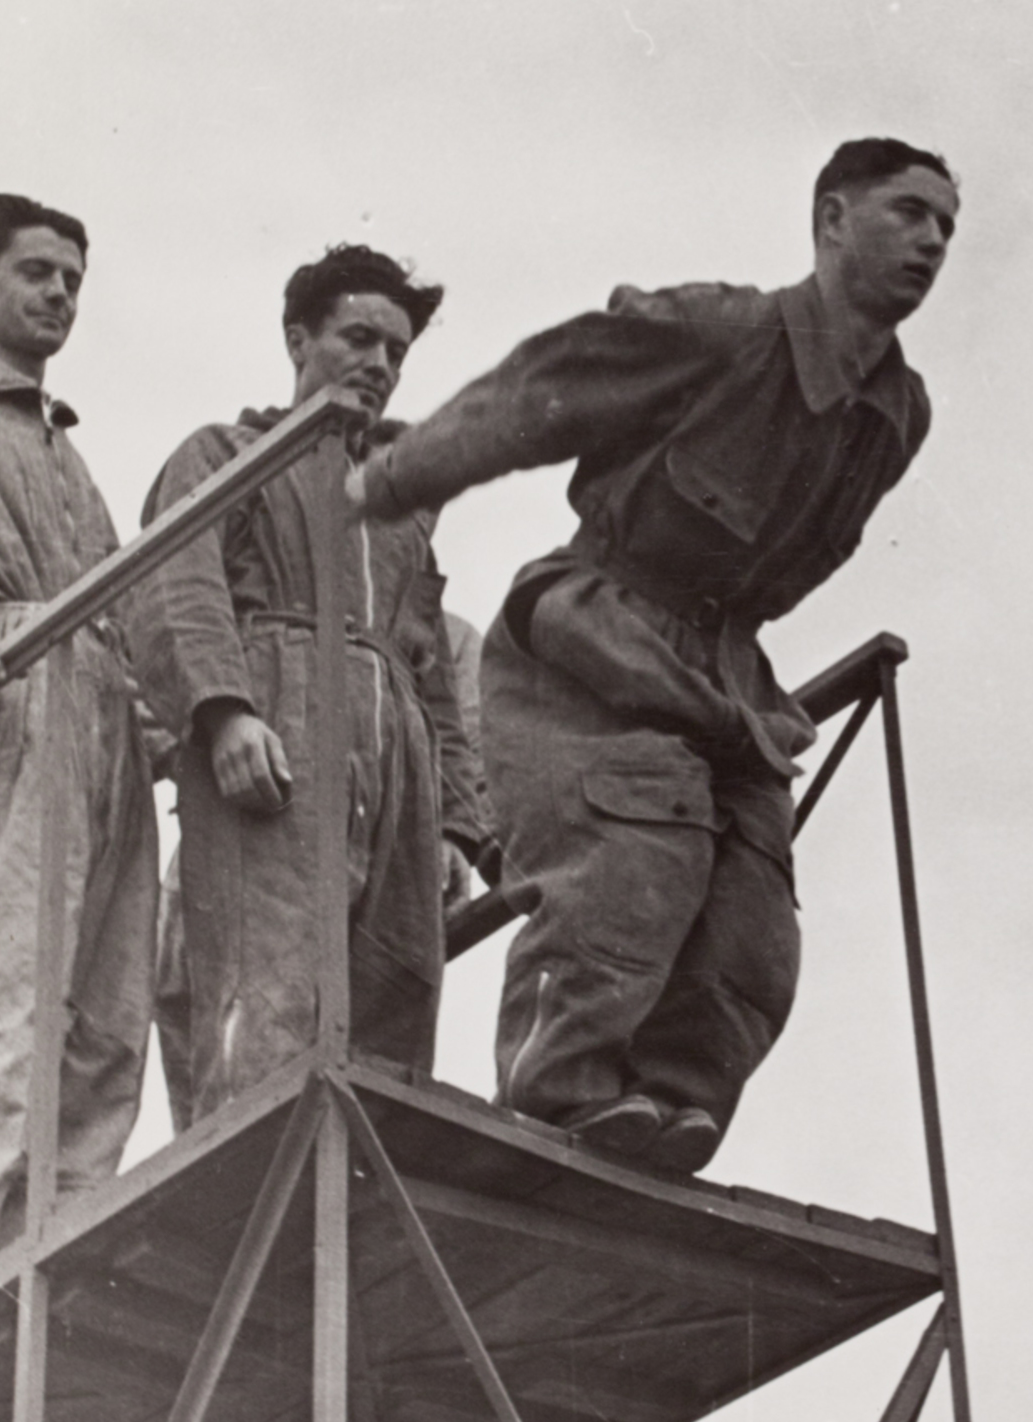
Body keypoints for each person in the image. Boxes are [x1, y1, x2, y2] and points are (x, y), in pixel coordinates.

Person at [350, 137, 959, 1175]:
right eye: (908, 212)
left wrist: (726, 685)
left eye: (946, 225)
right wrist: (391, 480)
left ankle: (671, 1102)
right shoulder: (719, 330)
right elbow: (547, 390)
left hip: (727, 670)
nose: (932, 241)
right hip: (595, 632)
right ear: (830, 219)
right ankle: (562, 1090)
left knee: (753, 933)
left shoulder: (895, 416)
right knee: (628, 866)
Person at [127, 246, 488, 1118]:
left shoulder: (396, 512)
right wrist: (223, 715)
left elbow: (430, 666)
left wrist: (456, 823)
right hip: (277, 727)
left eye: (397, 352)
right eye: (359, 338)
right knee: (267, 985)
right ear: (299, 339)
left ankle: (355, 1226)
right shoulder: (227, 452)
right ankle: (262, 1214)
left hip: (392, 760)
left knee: (396, 995)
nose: (380, 365)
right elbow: (178, 580)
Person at [0, 193, 158, 1274]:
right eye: (35, 272)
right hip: (11, 693)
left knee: (108, 1006)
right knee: (11, 982)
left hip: (106, 712)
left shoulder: (71, 458)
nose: (59, 294)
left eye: (72, 279)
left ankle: (66, 1235)